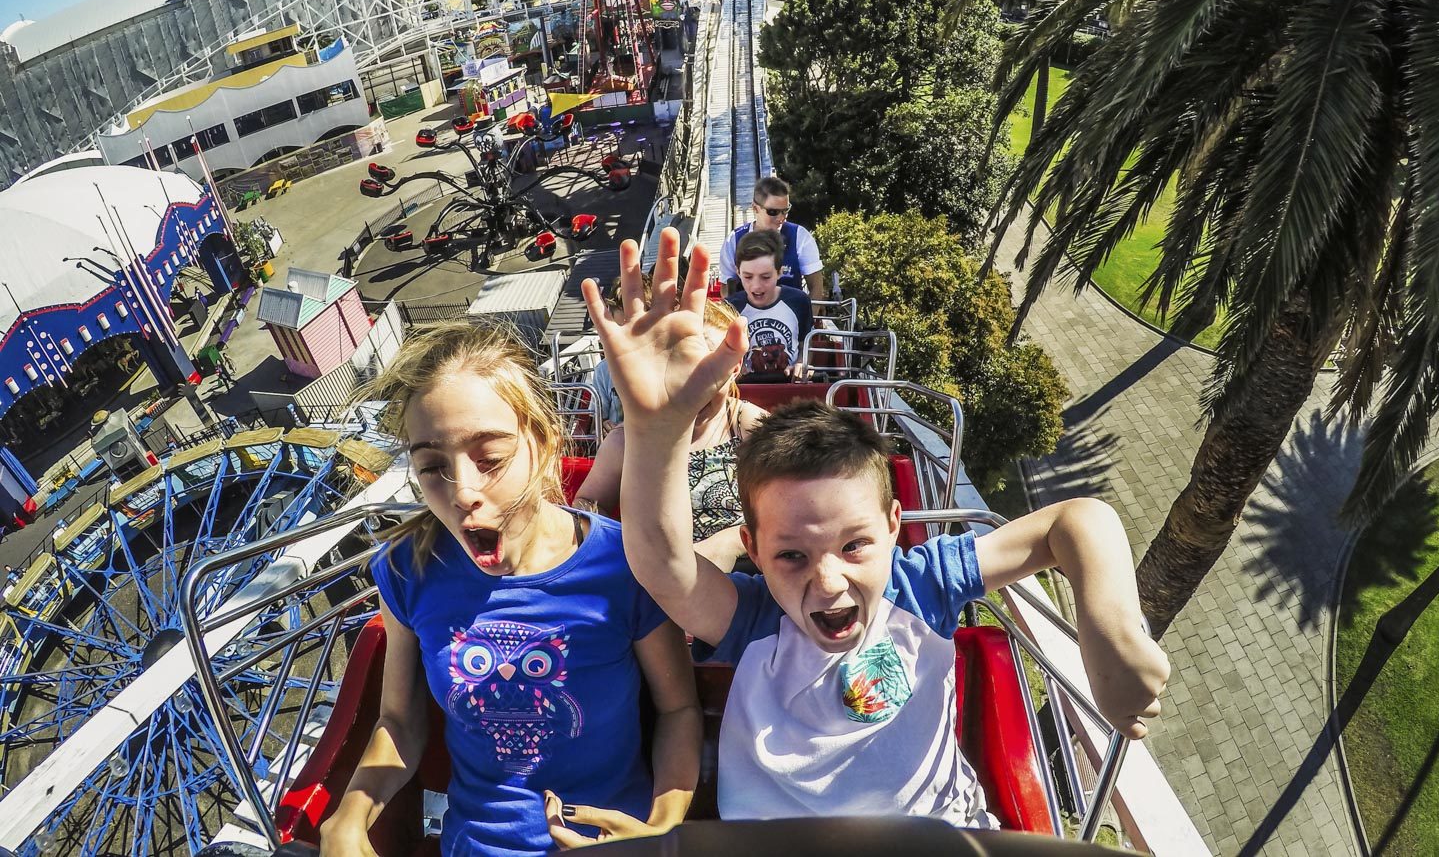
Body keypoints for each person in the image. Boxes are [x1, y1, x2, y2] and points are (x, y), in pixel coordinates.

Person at [580, 229, 1169, 827]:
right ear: (752, 548)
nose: (829, 580)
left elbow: (1075, 520)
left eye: (854, 545)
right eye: (792, 557)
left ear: (894, 525)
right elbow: (661, 562)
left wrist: (1110, 630)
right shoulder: (755, 619)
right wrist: (657, 427)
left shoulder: (920, 587)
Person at [319, 323, 700, 856]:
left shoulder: (623, 563)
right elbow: (400, 722)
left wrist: (662, 828)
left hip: (608, 842)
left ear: (542, 442)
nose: (463, 493)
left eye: (490, 459)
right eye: (432, 467)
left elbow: (679, 710)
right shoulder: (408, 570)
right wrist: (351, 813)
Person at [573, 299, 768, 572]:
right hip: (653, 586)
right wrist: (626, 544)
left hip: (744, 579)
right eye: (681, 370)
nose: (694, 389)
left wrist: (731, 541)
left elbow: (795, 507)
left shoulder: (747, 425)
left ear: (734, 369)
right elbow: (585, 509)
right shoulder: (628, 439)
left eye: (707, 370)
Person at [718, 177, 825, 300]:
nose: (781, 218)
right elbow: (727, 288)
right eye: (773, 212)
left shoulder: (800, 237)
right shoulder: (734, 240)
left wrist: (808, 316)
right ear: (755, 208)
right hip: (749, 315)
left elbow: (816, 286)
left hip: (792, 313)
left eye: (785, 211)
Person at [727, 230, 813, 379]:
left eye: (765, 277)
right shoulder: (730, 308)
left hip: (789, 387)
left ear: (779, 272)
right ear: (738, 272)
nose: (756, 286)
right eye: (748, 277)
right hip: (746, 391)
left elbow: (805, 345)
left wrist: (801, 364)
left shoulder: (798, 301)